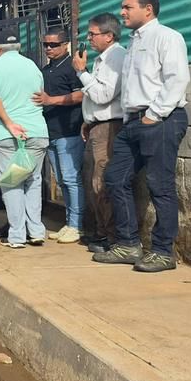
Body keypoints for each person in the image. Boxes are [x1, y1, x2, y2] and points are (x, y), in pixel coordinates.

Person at [96, 0, 189, 272]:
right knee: (114, 178)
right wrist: (131, 118)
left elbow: (177, 79)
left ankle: (163, 252)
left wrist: (154, 114)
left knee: (159, 186)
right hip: (133, 122)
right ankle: (128, 244)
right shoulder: (135, 43)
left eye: (128, 7)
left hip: (160, 119)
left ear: (147, 9)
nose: (122, 12)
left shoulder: (167, 37)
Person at [0, 36, 49, 249]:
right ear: (19, 47)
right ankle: (36, 231)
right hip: (36, 131)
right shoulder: (33, 67)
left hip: (6, 134)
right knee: (33, 180)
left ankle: (18, 235)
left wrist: (9, 123)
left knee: (12, 183)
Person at [72, 13, 127, 254]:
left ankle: (111, 236)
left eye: (93, 34)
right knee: (93, 181)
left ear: (109, 36)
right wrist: (88, 120)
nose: (89, 39)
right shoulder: (103, 59)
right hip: (97, 126)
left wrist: (81, 72)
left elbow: (104, 95)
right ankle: (103, 232)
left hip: (109, 127)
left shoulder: (116, 56)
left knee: (101, 181)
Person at [32, 30, 85, 244]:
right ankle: (70, 222)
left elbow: (81, 94)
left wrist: (51, 100)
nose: (49, 48)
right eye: (45, 44)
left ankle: (78, 225)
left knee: (72, 179)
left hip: (69, 131)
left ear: (65, 45)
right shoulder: (46, 70)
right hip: (50, 132)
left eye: (53, 45)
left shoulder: (73, 67)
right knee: (62, 180)